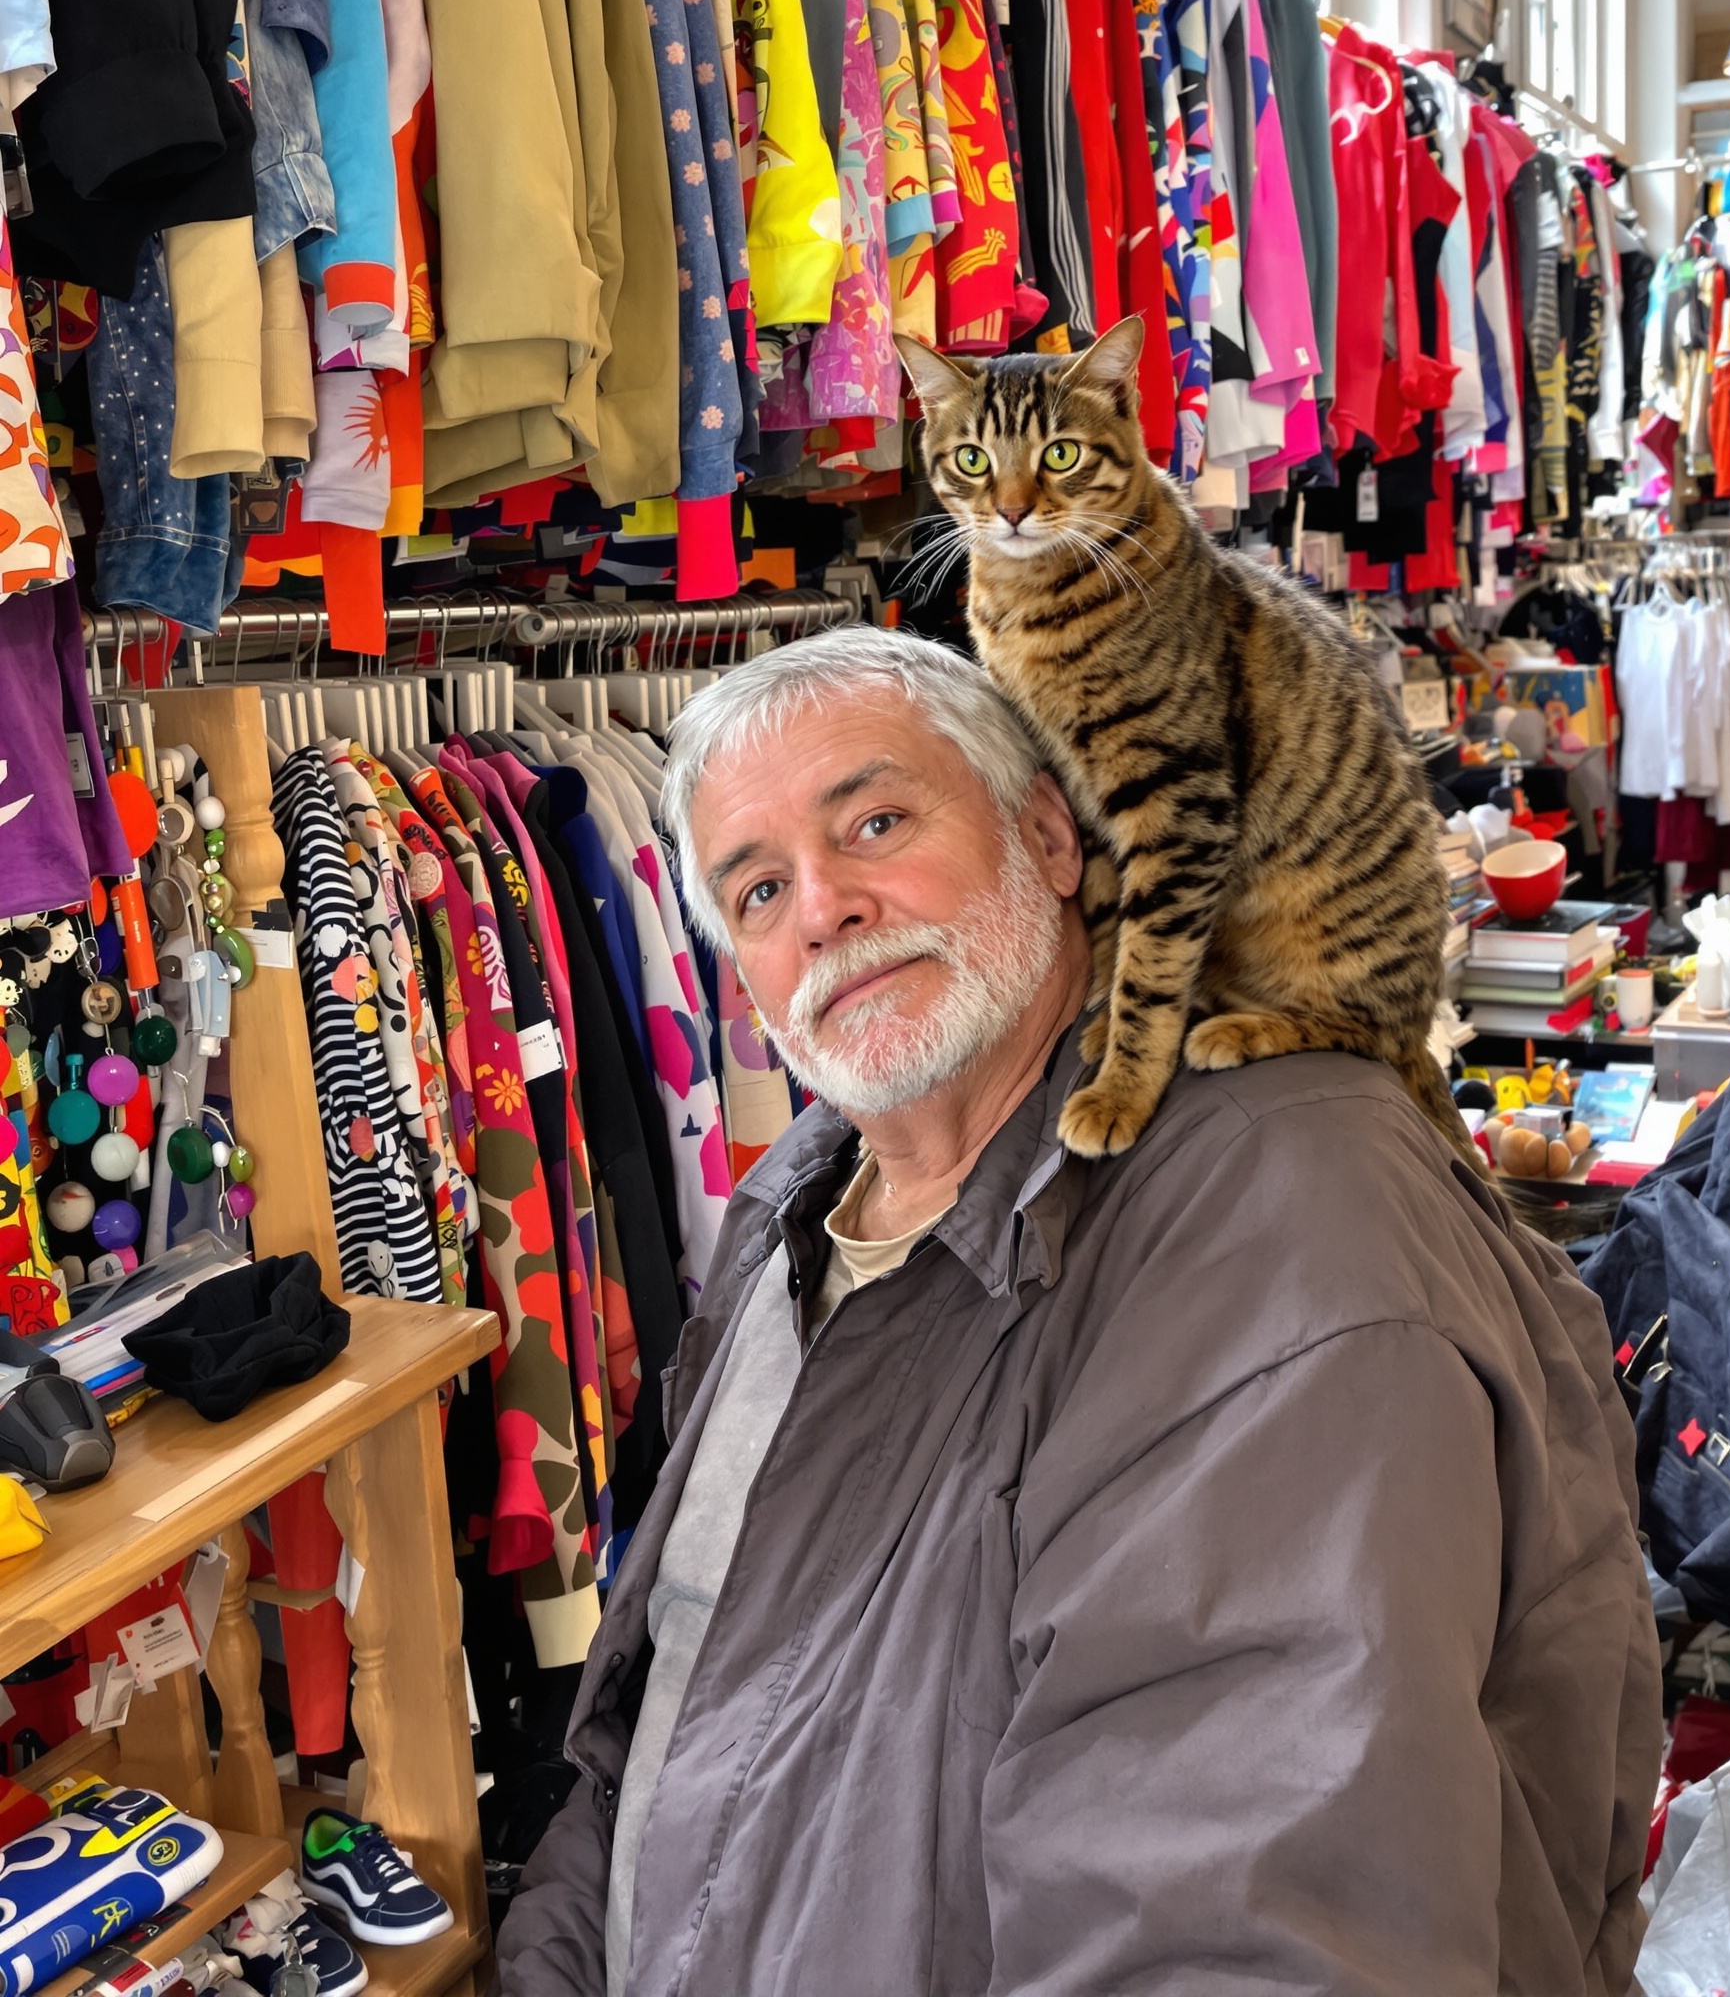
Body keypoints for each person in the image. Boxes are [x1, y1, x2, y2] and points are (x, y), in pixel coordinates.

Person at [497, 626, 1659, 1997]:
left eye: (875, 820)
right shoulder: (792, 1219)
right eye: (756, 890)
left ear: (1050, 837)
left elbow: (1252, 1925)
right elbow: (659, 1719)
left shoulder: (1273, 1214)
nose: (823, 908)